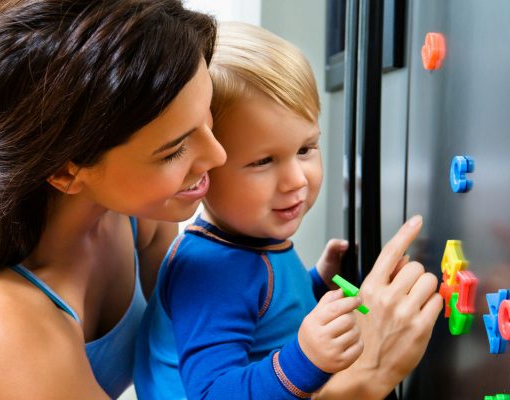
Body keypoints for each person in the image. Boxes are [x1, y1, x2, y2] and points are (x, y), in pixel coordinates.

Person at [0, 1, 226, 399]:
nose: (218, 155)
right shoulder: (3, 320)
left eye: (206, 114)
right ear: (65, 172)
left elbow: (192, 352)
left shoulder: (141, 215)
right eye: (173, 150)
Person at [135, 22, 443, 400]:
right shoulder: (211, 271)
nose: (296, 179)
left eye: (305, 149)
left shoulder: (250, 241)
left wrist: (316, 282)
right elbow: (212, 393)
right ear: (203, 166)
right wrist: (306, 358)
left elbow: (265, 319)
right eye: (264, 161)